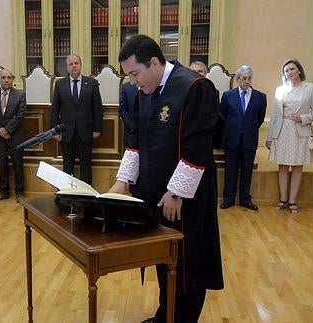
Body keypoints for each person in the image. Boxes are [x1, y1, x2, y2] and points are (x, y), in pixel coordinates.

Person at [109, 34, 223, 323]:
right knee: (164, 257)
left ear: (155, 62)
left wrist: (176, 192)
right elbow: (134, 139)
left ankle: (183, 319)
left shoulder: (194, 87)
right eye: (128, 76)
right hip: (152, 191)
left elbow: (198, 144)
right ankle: (166, 314)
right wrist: (123, 180)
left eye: (135, 73)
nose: (133, 81)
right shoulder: (141, 92)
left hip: (185, 198)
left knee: (187, 261)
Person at [266, 59, 313, 213]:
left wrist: (303, 118)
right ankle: (283, 198)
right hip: (282, 130)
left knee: (297, 166)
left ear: (299, 70)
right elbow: (275, 115)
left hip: (300, 130)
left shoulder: (310, 88)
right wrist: (270, 137)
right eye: (286, 71)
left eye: (291, 69)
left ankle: (292, 200)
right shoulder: (280, 90)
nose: (288, 72)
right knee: (282, 165)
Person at [219, 65, 267, 211]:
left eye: (249, 78)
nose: (247, 81)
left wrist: (248, 129)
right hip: (232, 139)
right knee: (230, 170)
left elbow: (260, 119)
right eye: (244, 78)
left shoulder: (260, 97)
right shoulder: (228, 96)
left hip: (249, 139)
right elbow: (222, 116)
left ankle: (245, 199)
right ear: (238, 79)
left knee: (247, 171)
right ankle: (228, 199)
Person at [50, 54, 103, 184]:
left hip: (86, 132)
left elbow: (97, 108)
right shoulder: (60, 84)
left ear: (80, 65)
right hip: (66, 133)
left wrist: (97, 129)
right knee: (67, 167)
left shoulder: (92, 83)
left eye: (76, 63)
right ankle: (66, 196)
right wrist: (55, 130)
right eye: (71, 64)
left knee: (86, 166)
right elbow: (55, 109)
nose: (74, 66)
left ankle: (87, 197)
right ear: (67, 67)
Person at [0, 68, 26, 202]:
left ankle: (20, 192)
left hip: (15, 136)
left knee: (17, 165)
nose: (6, 80)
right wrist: (0, 130)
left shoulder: (20, 95)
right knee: (1, 165)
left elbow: (20, 116)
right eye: (3, 78)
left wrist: (7, 130)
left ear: (13, 79)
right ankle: (3, 191)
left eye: (9, 77)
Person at [189, 60, 225, 149]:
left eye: (200, 71)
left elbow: (215, 113)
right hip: (188, 135)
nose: (197, 74)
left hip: (205, 135)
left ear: (205, 74)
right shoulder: (182, 90)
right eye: (194, 72)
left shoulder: (213, 91)